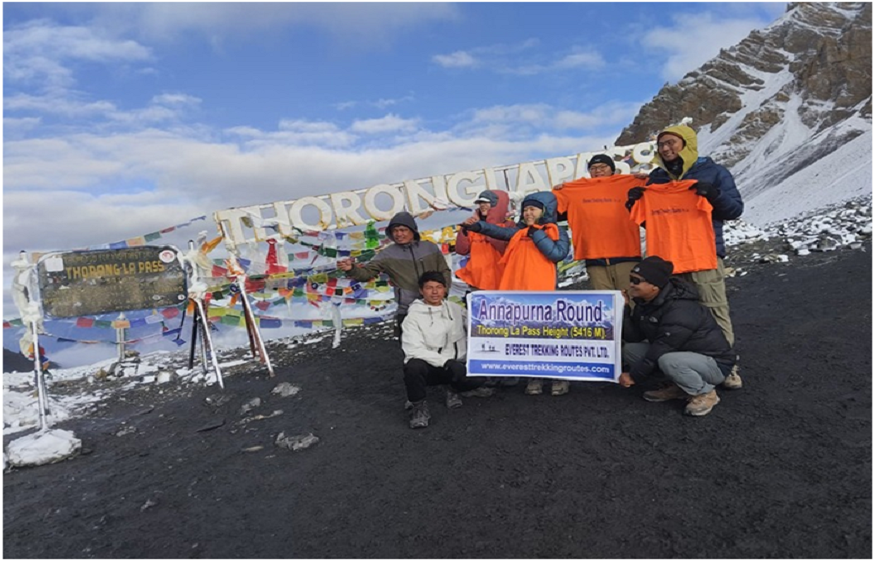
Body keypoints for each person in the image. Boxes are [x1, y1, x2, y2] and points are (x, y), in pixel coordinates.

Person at [632, 124, 744, 390]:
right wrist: (634, 203)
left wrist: (714, 195)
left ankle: (726, 366)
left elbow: (735, 209)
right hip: (669, 261)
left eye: (671, 142)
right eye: (661, 145)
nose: (666, 148)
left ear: (687, 143)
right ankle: (685, 368)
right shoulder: (655, 180)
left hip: (703, 254)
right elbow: (656, 222)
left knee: (714, 311)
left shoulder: (713, 172)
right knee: (675, 317)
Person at [467, 191, 573, 396]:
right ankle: (534, 376)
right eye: (525, 209)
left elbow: (558, 254)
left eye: (532, 209)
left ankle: (558, 376)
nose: (527, 213)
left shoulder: (555, 230)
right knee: (527, 336)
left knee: (549, 337)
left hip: (543, 294)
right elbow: (498, 232)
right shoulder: (518, 231)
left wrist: (536, 233)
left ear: (545, 211)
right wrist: (477, 226)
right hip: (518, 293)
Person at [617, 256, 736, 417]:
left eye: (636, 281)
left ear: (654, 286)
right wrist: (625, 311)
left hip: (714, 363)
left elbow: (661, 348)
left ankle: (705, 393)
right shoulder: (645, 303)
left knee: (668, 360)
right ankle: (679, 386)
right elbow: (634, 338)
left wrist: (633, 376)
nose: (631, 284)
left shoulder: (680, 309)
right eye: (631, 279)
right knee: (631, 350)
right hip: (683, 355)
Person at [401, 271, 494, 429]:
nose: (435, 292)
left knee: (482, 378)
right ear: (421, 291)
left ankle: (453, 389)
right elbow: (413, 349)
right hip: (432, 368)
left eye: (439, 287)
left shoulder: (455, 308)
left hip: (456, 365)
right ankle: (419, 408)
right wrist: (446, 362)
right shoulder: (413, 317)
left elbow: (476, 325)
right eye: (429, 288)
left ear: (445, 289)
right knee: (413, 367)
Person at [338, 211, 452, 336]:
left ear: (413, 230)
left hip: (437, 307)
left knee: (442, 342)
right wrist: (351, 269)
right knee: (412, 348)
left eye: (403, 230)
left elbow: (444, 270)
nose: (398, 234)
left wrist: (443, 292)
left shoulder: (430, 247)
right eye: (395, 230)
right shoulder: (387, 254)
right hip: (408, 310)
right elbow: (366, 274)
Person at [552, 154, 644, 291]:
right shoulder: (573, 189)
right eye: (593, 168)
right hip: (594, 258)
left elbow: (657, 188)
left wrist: (646, 178)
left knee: (633, 300)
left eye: (603, 167)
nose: (598, 170)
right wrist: (558, 191)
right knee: (606, 305)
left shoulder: (631, 183)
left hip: (627, 254)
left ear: (612, 169)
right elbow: (549, 209)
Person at [455, 190, 515, 291]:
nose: (482, 205)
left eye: (486, 202)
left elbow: (505, 248)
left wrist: (488, 228)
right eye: (480, 203)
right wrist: (464, 230)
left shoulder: (510, 226)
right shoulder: (473, 226)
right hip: (477, 282)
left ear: (498, 204)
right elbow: (461, 250)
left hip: (504, 282)